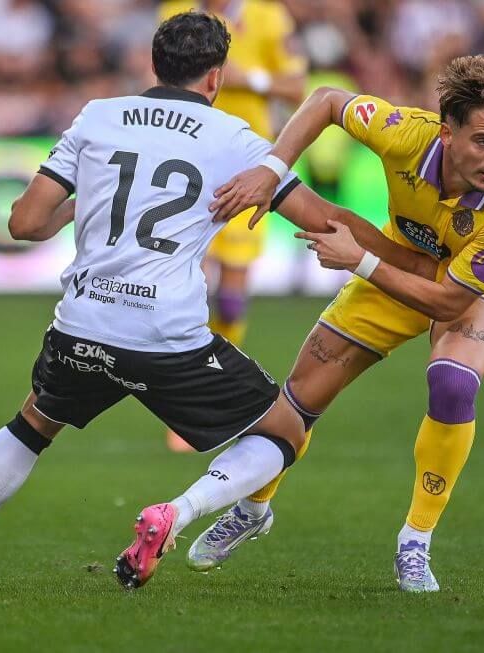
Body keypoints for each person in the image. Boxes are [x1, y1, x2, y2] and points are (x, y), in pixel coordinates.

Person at [0, 11, 434, 591]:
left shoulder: (99, 116)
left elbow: (25, 223)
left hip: (82, 323)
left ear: (153, 63)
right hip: (167, 336)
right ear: (215, 78)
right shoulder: (234, 138)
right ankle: (179, 513)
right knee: (286, 431)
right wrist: (410, 259)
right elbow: (326, 219)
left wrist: (84, 200)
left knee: (34, 420)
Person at [191, 55, 484, 592]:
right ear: (447, 133)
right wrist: (273, 167)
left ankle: (415, 541)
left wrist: (360, 261)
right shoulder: (406, 134)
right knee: (298, 401)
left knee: (452, 381)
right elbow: (325, 98)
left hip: (467, 286)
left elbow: (446, 301)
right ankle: (253, 509)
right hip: (397, 260)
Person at [159, 0, 307, 452]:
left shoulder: (269, 18)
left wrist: (252, 79)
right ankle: (184, 407)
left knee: (231, 295)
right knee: (189, 286)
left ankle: (213, 393)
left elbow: (297, 87)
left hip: (246, 165)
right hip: (188, 165)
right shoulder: (175, 11)